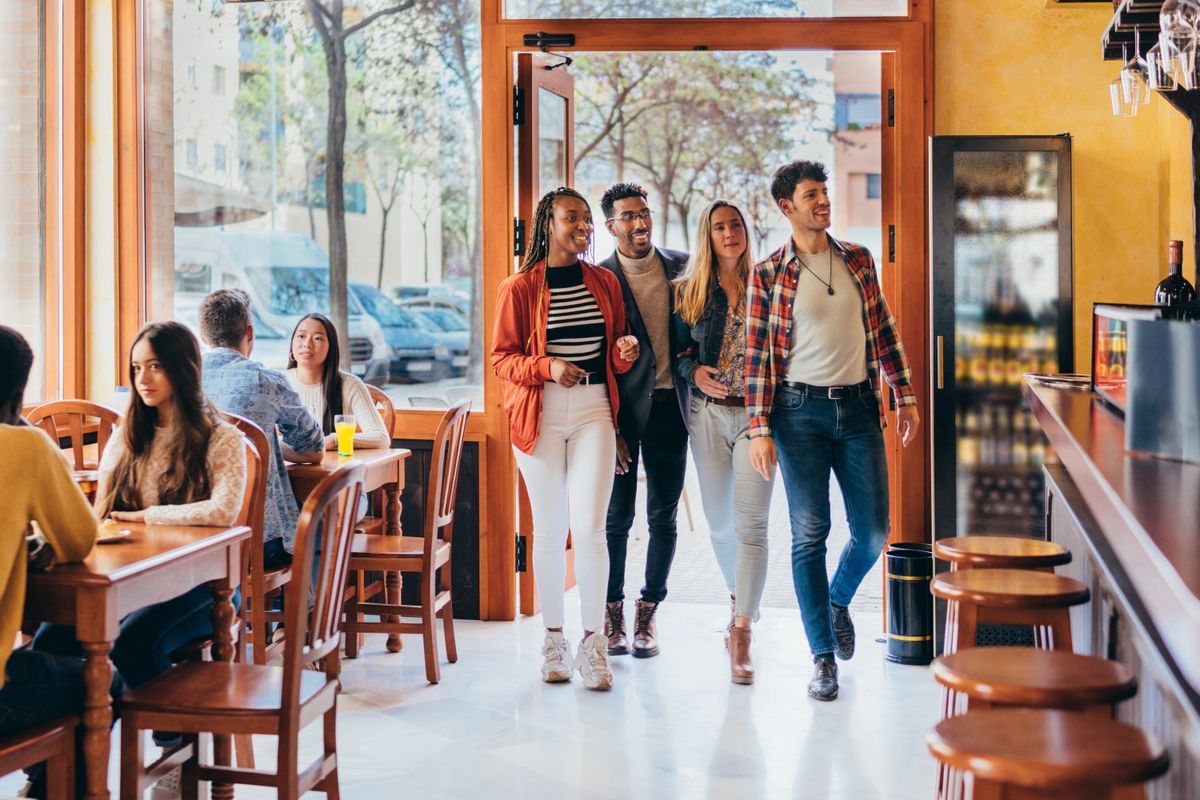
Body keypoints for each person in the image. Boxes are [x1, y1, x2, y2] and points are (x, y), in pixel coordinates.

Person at [34, 320, 247, 781]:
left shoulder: (221, 437)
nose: (143, 379)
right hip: (131, 578)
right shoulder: (129, 434)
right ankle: (51, 771)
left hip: (203, 585)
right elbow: (103, 513)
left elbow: (224, 511)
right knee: (51, 641)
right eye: (136, 368)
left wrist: (146, 517)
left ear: (183, 369)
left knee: (134, 643)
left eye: (156, 366)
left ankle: (176, 747)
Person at [745, 160, 920, 701]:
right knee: (809, 534)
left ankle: (837, 600)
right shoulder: (768, 274)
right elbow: (756, 359)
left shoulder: (858, 260)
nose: (823, 201)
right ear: (786, 207)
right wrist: (759, 429)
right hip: (798, 416)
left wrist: (905, 394)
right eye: (810, 194)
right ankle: (822, 657)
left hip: (861, 410)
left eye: (824, 192)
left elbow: (884, 332)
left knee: (872, 531)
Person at [492, 186, 639, 690]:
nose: (582, 225)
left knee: (592, 529)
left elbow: (614, 357)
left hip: (596, 410)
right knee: (551, 532)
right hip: (539, 413)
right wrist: (548, 367)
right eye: (570, 217)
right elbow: (501, 359)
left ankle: (593, 645)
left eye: (584, 218)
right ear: (546, 225)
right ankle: (553, 640)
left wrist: (624, 351)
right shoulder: (519, 287)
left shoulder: (604, 282)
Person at [674, 201, 774, 685]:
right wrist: (693, 370)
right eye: (719, 227)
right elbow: (676, 354)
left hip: (756, 420)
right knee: (719, 525)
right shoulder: (690, 291)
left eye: (735, 224)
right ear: (707, 236)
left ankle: (742, 631)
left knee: (752, 526)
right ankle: (741, 596)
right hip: (708, 416)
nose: (730, 233)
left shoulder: (769, 285)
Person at [0, 326, 97, 798]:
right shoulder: (22, 445)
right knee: (100, 681)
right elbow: (79, 539)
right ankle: (45, 790)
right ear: (19, 393)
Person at [597, 182, 690, 659]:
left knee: (663, 517)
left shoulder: (684, 266)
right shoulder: (599, 278)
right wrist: (608, 428)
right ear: (611, 226)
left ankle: (648, 610)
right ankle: (611, 610)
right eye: (627, 217)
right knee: (616, 518)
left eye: (644, 213)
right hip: (622, 418)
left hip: (673, 409)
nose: (639, 223)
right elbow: (594, 358)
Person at [198, 289, 325, 572]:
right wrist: (264, 445)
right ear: (250, 333)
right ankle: (303, 615)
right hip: (259, 545)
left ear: (203, 337)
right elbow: (313, 446)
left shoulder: (179, 382)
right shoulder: (267, 380)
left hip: (193, 542)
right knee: (318, 522)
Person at [284, 312, 390, 450]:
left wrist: (335, 439)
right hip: (290, 467)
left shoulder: (349, 385)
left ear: (331, 348)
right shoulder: (279, 383)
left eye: (317, 338)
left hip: (335, 468)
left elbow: (381, 438)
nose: (307, 344)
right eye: (301, 336)